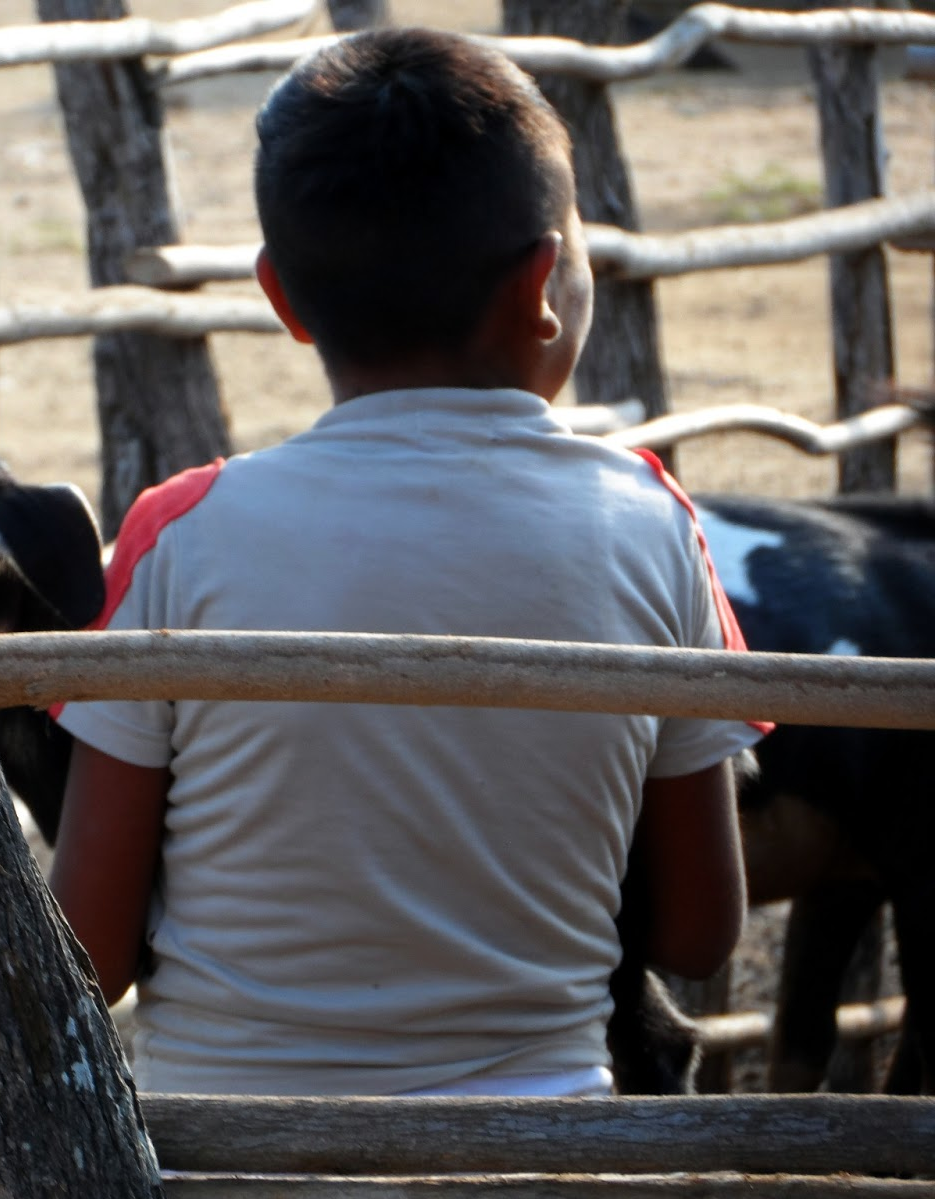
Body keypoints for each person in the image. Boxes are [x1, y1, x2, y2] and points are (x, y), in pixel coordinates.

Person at [48, 27, 768, 1098]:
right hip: (540, 1160)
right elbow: (701, 931)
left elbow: (87, 957)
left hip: (233, 1160)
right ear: (543, 284)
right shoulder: (650, 520)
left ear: (281, 298)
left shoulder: (180, 530)